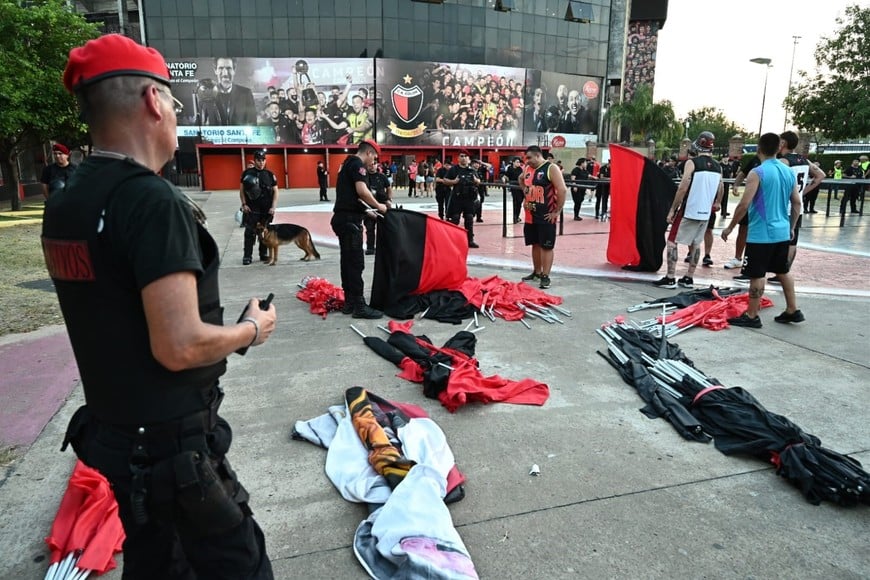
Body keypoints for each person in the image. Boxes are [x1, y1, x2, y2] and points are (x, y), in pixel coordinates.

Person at [43, 34, 276, 578]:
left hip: (119, 438)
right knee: (239, 564)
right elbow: (180, 345)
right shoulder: (148, 201)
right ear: (153, 101)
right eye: (172, 100)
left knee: (158, 565)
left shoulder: (68, 201)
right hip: (173, 449)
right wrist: (250, 329)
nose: (173, 112)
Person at [722, 132, 803, 327]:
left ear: (759, 148)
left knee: (757, 274)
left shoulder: (757, 172)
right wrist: (791, 227)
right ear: (778, 148)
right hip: (782, 231)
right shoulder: (787, 171)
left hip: (762, 234)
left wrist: (730, 227)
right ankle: (792, 309)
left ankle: (751, 315)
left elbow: (744, 204)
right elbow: (797, 203)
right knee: (782, 271)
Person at [654, 131, 722, 289]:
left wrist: (672, 209)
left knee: (672, 241)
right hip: (706, 210)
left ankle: (670, 277)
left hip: (689, 208)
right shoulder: (718, 166)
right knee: (696, 243)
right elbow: (721, 186)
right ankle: (689, 277)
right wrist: (717, 202)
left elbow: (683, 187)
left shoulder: (692, 163)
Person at [331, 140, 388, 319]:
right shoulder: (358, 165)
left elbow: (350, 196)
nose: (373, 163)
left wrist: (368, 212)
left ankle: (349, 302)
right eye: (374, 158)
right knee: (356, 263)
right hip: (350, 221)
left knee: (346, 262)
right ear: (369, 153)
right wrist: (379, 206)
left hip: (342, 218)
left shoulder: (346, 163)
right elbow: (362, 191)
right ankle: (360, 306)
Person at [768, 130, 825, 285]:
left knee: (780, 240)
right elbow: (820, 175)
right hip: (796, 205)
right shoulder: (804, 161)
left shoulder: (784, 162)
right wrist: (802, 192)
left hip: (783, 206)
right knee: (793, 241)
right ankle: (784, 271)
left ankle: (780, 271)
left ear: (783, 143)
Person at [519, 145, 567, 290]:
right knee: (535, 244)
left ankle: (545, 276)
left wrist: (556, 211)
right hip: (530, 215)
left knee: (546, 246)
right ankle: (537, 272)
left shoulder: (551, 168)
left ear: (538, 155)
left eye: (529, 158)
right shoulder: (527, 169)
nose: (527, 161)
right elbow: (521, 179)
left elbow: (562, 190)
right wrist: (526, 193)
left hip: (546, 215)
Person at [240, 151, 279, 265]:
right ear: (255, 160)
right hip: (252, 208)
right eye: (259, 160)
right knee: (249, 233)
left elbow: (276, 191)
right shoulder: (247, 173)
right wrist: (244, 204)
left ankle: (263, 254)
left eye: (263, 160)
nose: (261, 162)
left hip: (266, 209)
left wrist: (273, 207)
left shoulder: (270, 174)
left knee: (264, 232)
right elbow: (242, 191)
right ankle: (247, 256)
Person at [444, 150, 482, 248]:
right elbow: (445, 180)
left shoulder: (472, 170)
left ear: (468, 159)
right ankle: (451, 240)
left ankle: (470, 240)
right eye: (461, 156)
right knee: (455, 219)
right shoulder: (454, 169)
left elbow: (478, 181)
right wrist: (454, 181)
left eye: (465, 156)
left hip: (469, 198)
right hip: (457, 198)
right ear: (458, 158)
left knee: (469, 219)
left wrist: (476, 180)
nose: (464, 158)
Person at [210, 57, 257, 126]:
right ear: (215, 70)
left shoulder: (246, 94)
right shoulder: (208, 96)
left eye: (229, 68)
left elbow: (252, 124)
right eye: (221, 68)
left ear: (234, 70)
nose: (225, 73)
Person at [364, 160, 392, 255]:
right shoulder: (364, 177)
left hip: (382, 206)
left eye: (374, 164)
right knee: (370, 228)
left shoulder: (382, 176)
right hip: (369, 207)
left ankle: (383, 248)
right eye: (370, 164)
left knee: (384, 228)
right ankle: (370, 248)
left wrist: (389, 199)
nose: (372, 166)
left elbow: (389, 188)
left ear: (377, 165)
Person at [503, 157, 525, 223]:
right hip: (514, 187)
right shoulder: (510, 169)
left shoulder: (520, 169)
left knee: (520, 202)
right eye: (517, 162)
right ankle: (515, 217)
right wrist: (504, 180)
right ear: (513, 162)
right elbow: (505, 176)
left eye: (519, 162)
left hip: (520, 187)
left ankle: (517, 216)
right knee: (516, 202)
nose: (519, 163)